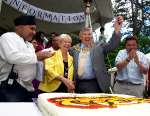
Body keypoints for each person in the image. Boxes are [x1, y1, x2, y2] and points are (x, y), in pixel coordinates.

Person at [0, 15, 53, 102]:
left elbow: (31, 60)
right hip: (12, 87)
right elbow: (12, 57)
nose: (34, 32)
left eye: (35, 29)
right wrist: (36, 56)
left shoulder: (29, 44)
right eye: (31, 28)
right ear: (20, 28)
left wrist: (41, 58)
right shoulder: (8, 37)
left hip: (28, 88)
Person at [69, 16, 124, 93]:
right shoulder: (74, 49)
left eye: (89, 34)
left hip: (95, 84)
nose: (87, 36)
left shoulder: (99, 46)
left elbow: (112, 45)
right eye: (85, 34)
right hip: (77, 84)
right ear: (80, 37)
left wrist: (117, 30)